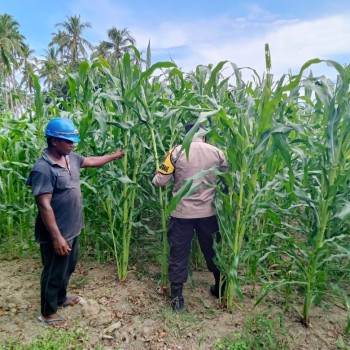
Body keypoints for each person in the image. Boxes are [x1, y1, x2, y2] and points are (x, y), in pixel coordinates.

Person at [26, 117, 125, 326]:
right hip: (57, 233)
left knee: (67, 268)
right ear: (54, 141)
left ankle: (61, 298)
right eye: (69, 141)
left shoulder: (70, 158)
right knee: (53, 271)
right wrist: (57, 237)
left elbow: (91, 161)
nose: (73, 144)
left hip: (72, 228)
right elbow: (44, 205)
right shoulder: (43, 169)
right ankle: (47, 312)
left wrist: (114, 156)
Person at [152, 122, 228, 313]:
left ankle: (177, 299)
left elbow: (159, 182)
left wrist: (159, 173)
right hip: (208, 214)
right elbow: (229, 183)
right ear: (204, 135)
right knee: (213, 251)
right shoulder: (217, 152)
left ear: (186, 135)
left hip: (181, 214)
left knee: (178, 254)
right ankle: (220, 289)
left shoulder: (176, 151)